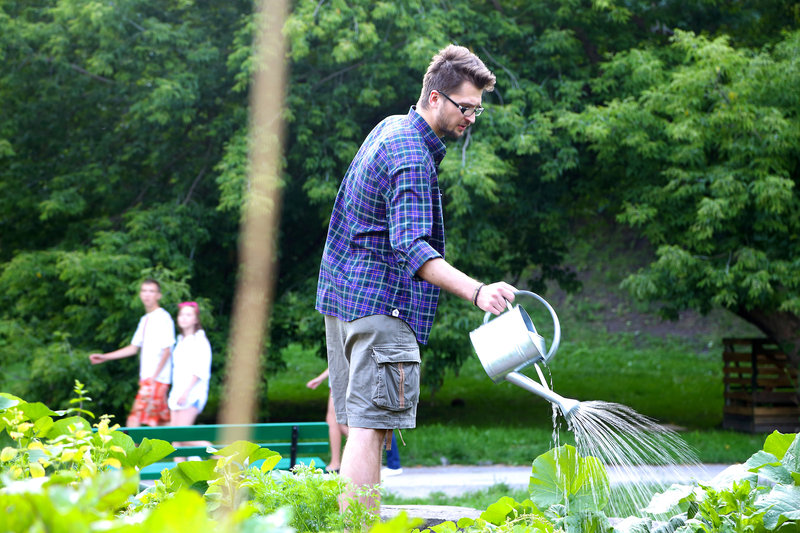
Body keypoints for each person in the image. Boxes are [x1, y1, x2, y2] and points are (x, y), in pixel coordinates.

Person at [315, 44, 517, 513]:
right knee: (370, 432)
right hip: (382, 308)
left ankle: (353, 525)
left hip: (346, 302)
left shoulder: (389, 128)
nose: (471, 118)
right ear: (435, 98)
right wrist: (478, 291)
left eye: (477, 110)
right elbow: (413, 249)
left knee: (364, 429)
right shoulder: (411, 156)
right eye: (465, 107)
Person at [90, 279, 175, 427]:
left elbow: (167, 350)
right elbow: (133, 348)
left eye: (151, 291)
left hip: (156, 380)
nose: (147, 295)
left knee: (134, 421)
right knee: (161, 425)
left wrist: (153, 378)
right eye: (144, 291)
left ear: (159, 295)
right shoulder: (145, 319)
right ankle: (196, 446)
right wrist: (104, 357)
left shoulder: (163, 317)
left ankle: (130, 450)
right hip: (148, 380)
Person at [168, 301, 212, 454]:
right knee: (176, 440)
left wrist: (186, 392)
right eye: (182, 314)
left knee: (182, 436)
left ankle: (220, 455)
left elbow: (200, 371)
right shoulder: (180, 340)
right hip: (177, 394)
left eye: (189, 315)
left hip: (191, 394)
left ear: (195, 319)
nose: (184, 318)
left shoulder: (199, 340)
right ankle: (178, 476)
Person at [306, 367, 348, 473]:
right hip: (340, 380)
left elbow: (338, 357)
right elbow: (335, 360)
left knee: (333, 420)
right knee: (333, 421)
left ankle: (336, 463)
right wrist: (320, 378)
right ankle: (336, 462)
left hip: (340, 381)